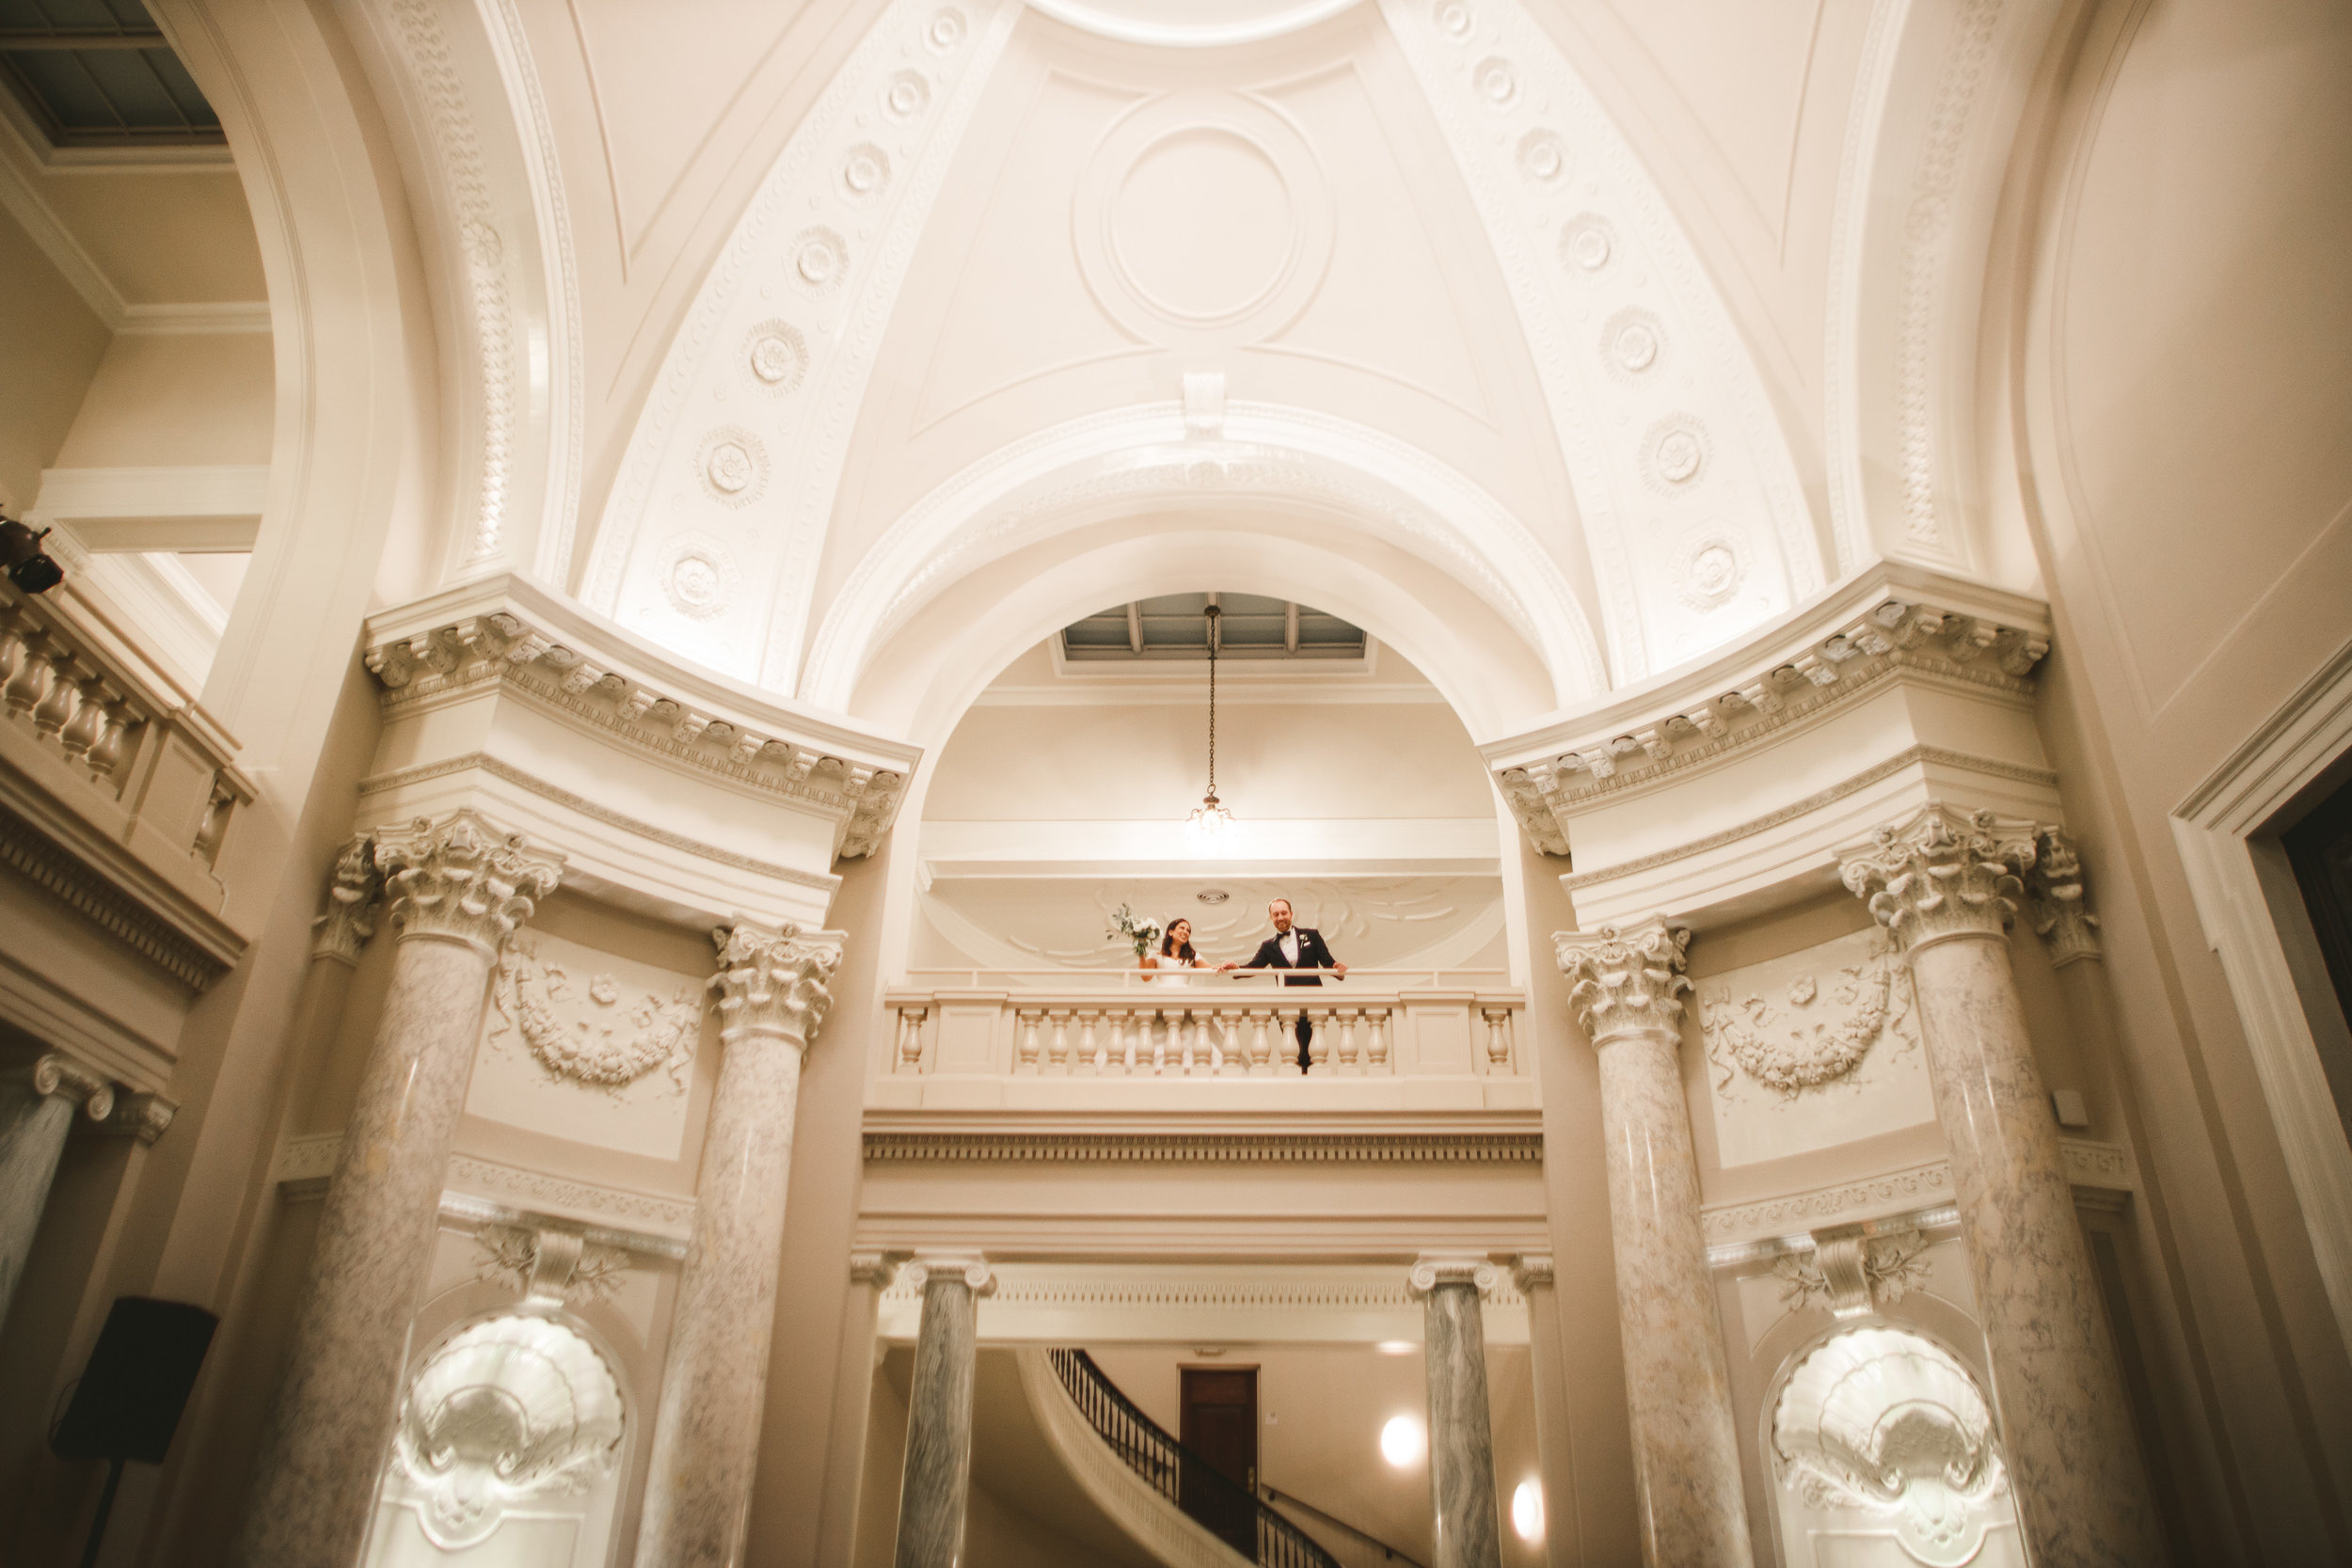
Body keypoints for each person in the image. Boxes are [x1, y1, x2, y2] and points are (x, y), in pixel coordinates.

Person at [1226, 897, 1344, 1069]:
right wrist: (1236, 969)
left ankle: (1310, 1082)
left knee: (1313, 1048)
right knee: (1293, 1048)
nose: (1280, 917)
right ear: (1271, 918)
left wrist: (1337, 970)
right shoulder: (1268, 945)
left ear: (1291, 914)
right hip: (1287, 1001)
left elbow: (1328, 962)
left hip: (1313, 999)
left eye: (1283, 913)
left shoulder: (1311, 935)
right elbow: (1255, 966)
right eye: (1275, 914)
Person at [1140, 918, 1214, 987]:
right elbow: (1145, 977)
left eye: (1188, 930)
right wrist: (1141, 951)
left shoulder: (1192, 956)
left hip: (1184, 996)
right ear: (1171, 932)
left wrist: (1224, 965)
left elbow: (1212, 968)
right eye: (1182, 928)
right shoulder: (1155, 955)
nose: (1185, 932)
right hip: (1162, 995)